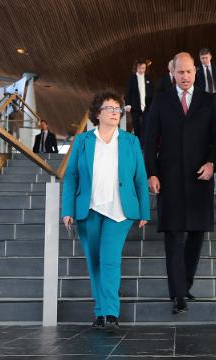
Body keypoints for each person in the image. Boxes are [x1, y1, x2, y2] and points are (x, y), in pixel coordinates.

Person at [61, 91, 150, 331]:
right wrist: (67, 209)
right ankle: (100, 311)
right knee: (94, 262)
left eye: (117, 109)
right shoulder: (83, 141)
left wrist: (144, 211)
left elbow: (140, 178)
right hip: (88, 209)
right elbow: (70, 177)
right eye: (109, 108)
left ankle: (110, 312)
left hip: (119, 210)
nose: (114, 112)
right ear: (97, 114)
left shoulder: (131, 141)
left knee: (109, 260)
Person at [144, 52, 216, 314]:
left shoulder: (210, 101)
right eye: (180, 72)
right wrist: (151, 173)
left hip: (200, 178)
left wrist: (213, 163)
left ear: (196, 72)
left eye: (189, 72)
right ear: (173, 73)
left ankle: (185, 285)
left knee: (196, 236)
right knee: (174, 236)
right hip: (169, 179)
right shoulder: (161, 100)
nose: (185, 76)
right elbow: (149, 139)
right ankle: (178, 294)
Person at [124, 58, 153, 146]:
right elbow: (128, 92)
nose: (141, 70)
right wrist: (128, 104)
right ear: (136, 68)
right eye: (140, 68)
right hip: (135, 107)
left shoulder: (148, 78)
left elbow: (152, 92)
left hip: (146, 107)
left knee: (146, 126)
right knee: (136, 126)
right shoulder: (132, 79)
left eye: (143, 68)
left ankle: (143, 145)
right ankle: (137, 144)